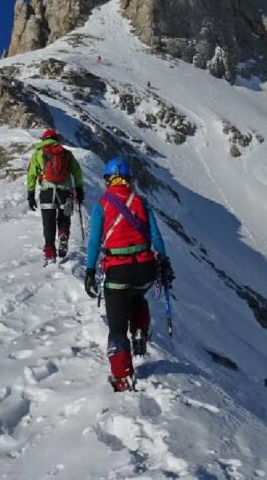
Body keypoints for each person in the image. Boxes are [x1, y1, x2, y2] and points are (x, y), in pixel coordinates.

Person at [84, 157, 174, 392]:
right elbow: (155, 237)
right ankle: (140, 329)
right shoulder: (142, 203)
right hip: (145, 269)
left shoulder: (101, 205)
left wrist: (90, 270)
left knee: (116, 328)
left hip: (118, 270)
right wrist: (163, 262)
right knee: (137, 297)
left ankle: (122, 377)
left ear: (109, 179)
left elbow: (94, 242)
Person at [26, 129, 84, 263]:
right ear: (56, 139)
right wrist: (79, 189)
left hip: (47, 192)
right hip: (65, 192)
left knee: (48, 223)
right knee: (64, 219)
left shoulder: (38, 153)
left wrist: (30, 194)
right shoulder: (66, 154)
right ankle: (63, 235)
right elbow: (77, 172)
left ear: (44, 140)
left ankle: (50, 253)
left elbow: (31, 175)